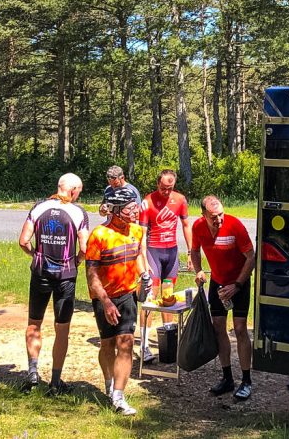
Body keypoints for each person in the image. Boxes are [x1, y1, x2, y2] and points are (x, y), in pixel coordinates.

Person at [18, 173, 90, 395]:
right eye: (79, 191)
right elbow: (85, 248)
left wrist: (36, 255)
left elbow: (23, 241)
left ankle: (32, 372)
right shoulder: (78, 212)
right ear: (73, 190)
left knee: (34, 323)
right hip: (65, 276)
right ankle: (55, 381)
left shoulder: (38, 208)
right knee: (62, 329)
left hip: (40, 272)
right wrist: (77, 260)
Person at [86, 186, 148, 416]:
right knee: (108, 344)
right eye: (129, 208)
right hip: (104, 297)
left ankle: (119, 396)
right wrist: (105, 301)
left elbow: (138, 256)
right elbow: (91, 276)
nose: (134, 212)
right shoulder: (99, 235)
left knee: (126, 343)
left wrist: (144, 276)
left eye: (135, 207)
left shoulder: (137, 231)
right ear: (115, 210)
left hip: (128, 294)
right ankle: (109, 381)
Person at [189, 195, 255, 401]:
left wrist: (237, 285)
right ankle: (227, 378)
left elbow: (251, 257)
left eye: (221, 215)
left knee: (240, 328)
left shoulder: (235, 225)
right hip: (218, 282)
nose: (219, 220)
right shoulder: (198, 227)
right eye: (214, 217)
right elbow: (194, 250)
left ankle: (246, 380)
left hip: (238, 283)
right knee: (218, 327)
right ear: (203, 215)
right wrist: (199, 271)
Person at [137, 169, 192, 363]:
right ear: (157, 183)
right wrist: (143, 258)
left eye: (170, 188)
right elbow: (141, 233)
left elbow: (186, 226)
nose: (166, 192)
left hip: (172, 253)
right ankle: (144, 345)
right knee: (151, 298)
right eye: (163, 188)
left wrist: (192, 252)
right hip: (153, 252)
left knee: (168, 297)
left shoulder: (180, 200)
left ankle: (168, 341)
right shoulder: (148, 201)